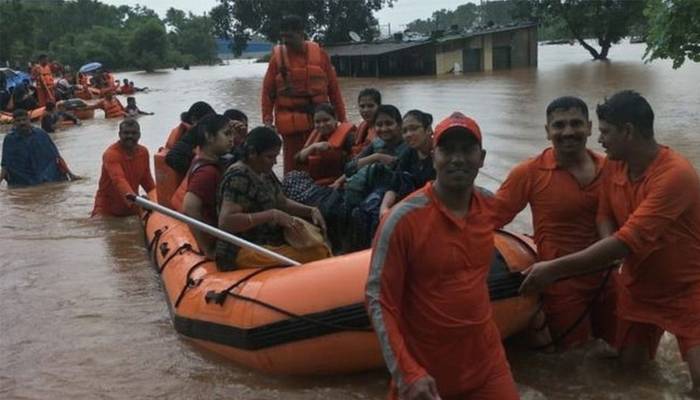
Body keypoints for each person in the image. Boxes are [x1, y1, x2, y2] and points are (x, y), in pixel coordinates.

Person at [520, 90, 700, 395]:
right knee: (630, 373)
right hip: (638, 286)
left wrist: (553, 269)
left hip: (686, 288)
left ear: (627, 132)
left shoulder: (675, 176)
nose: (599, 140)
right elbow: (604, 214)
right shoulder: (615, 165)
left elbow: (627, 240)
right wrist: (609, 251)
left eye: (604, 132)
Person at [366, 112, 519, 400]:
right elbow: (378, 299)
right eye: (448, 150)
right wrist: (407, 371)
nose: (457, 159)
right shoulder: (402, 220)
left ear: (482, 157)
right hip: (424, 370)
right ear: (433, 155)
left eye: (467, 150)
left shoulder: (489, 206)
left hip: (487, 365)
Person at [493, 96, 617, 350]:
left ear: (590, 127)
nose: (568, 132)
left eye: (576, 124)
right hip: (561, 284)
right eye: (559, 125)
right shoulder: (528, 172)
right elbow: (489, 219)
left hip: (610, 278)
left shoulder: (612, 168)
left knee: (620, 354)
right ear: (547, 131)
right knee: (575, 361)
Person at [216, 126, 329, 271]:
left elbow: (281, 202)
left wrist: (311, 211)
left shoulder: (264, 172)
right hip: (242, 248)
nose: (274, 162)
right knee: (318, 253)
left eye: (276, 156)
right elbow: (226, 222)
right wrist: (271, 215)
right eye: (270, 157)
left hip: (268, 241)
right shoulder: (238, 177)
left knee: (319, 243)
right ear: (252, 153)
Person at [261, 15, 346, 174]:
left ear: (301, 33)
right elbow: (268, 93)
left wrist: (343, 122)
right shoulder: (276, 60)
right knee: (293, 168)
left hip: (320, 125)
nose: (285, 41)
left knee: (322, 164)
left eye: (290, 36)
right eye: (283, 36)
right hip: (291, 128)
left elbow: (334, 91)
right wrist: (267, 122)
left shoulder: (320, 55)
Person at [180, 114, 236, 258]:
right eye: (226, 134)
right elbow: (189, 207)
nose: (232, 139)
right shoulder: (207, 172)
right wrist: (206, 248)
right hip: (218, 241)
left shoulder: (204, 160)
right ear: (209, 137)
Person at [91, 118, 155, 217]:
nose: (130, 136)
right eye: (126, 133)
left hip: (132, 206)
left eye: (134, 133)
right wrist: (137, 201)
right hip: (107, 210)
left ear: (139, 135)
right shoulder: (111, 154)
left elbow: (147, 181)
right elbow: (118, 180)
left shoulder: (143, 152)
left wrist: (157, 199)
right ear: (119, 134)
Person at [379, 109, 436, 218]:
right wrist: (384, 207)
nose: (408, 134)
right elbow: (394, 184)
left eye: (414, 128)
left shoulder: (441, 155)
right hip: (410, 208)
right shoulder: (409, 153)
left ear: (428, 129)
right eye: (404, 131)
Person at [1, 109, 79, 187]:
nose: (22, 123)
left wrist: (70, 174)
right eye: (18, 121)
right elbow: (5, 164)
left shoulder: (41, 134)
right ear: (14, 122)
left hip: (46, 177)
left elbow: (56, 156)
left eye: (24, 120)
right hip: (23, 180)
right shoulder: (10, 139)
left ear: (29, 119)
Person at [294, 103, 355, 186]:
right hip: (319, 180)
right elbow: (298, 159)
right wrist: (313, 146)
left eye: (326, 120)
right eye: (317, 122)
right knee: (291, 178)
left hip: (339, 181)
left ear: (335, 119)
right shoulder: (317, 136)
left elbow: (355, 164)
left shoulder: (349, 137)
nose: (322, 125)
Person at [352, 88, 381, 156]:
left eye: (370, 106)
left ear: (379, 106)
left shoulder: (383, 129)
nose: (366, 110)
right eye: (362, 106)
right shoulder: (363, 125)